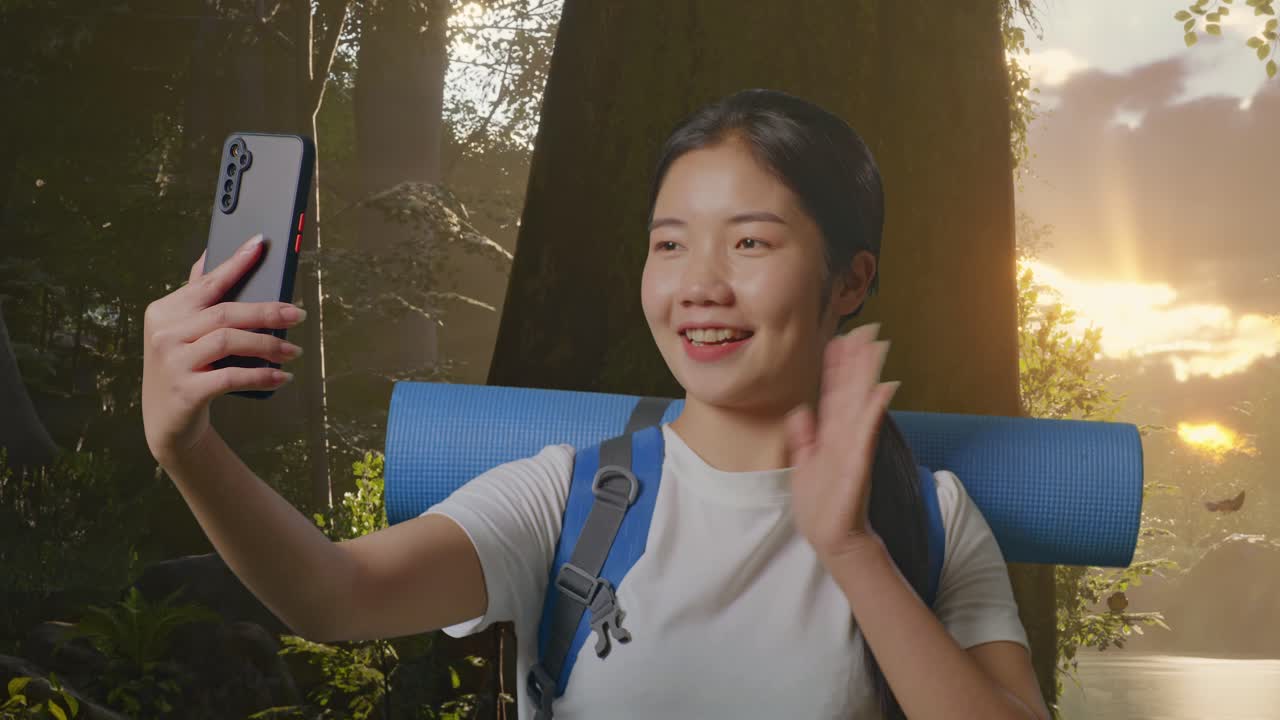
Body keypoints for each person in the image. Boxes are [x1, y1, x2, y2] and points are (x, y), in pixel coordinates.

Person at [142, 88, 1050, 720]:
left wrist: (851, 551)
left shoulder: (929, 521)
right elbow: (334, 597)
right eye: (669, 245)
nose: (699, 286)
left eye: (749, 244)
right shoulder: (570, 500)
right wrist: (188, 447)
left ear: (851, 280)